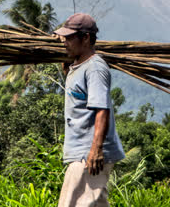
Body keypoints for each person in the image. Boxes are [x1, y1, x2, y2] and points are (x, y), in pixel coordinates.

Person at [54, 13, 125, 207]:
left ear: (85, 38)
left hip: (89, 154)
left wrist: (96, 150)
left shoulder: (95, 68)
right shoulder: (78, 66)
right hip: (81, 152)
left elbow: (102, 110)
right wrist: (69, 71)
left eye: (69, 37)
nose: (64, 42)